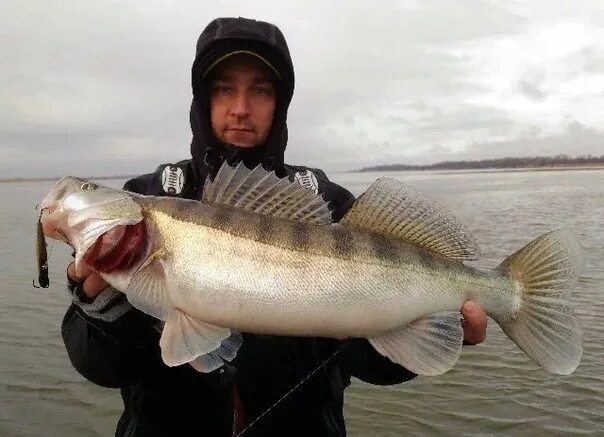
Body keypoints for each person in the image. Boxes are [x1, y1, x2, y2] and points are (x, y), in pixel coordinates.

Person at [62, 17, 488, 436]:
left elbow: (369, 364)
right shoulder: (147, 197)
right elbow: (102, 368)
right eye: (225, 89)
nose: (241, 108)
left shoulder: (330, 204)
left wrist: (440, 327)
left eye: (260, 91)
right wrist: (98, 310)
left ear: (280, 103)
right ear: (203, 100)